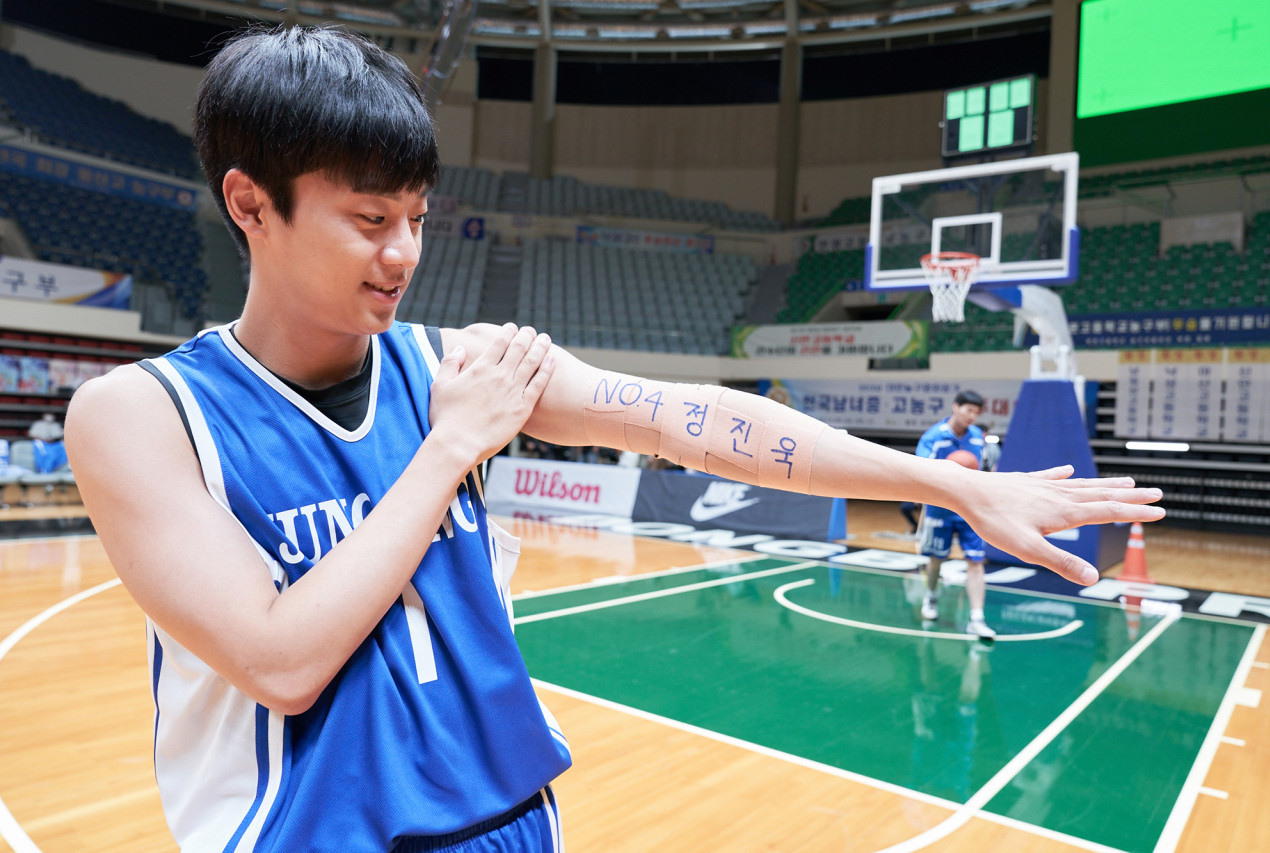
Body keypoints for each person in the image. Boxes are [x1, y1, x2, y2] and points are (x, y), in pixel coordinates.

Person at [64, 26, 1163, 853]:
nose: (402, 252)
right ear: (251, 203)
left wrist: (941, 484)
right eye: (366, 219)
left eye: (415, 215)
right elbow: (281, 659)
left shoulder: (458, 362)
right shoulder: (142, 415)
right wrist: (451, 448)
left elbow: (705, 424)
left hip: (512, 818)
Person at [915, 390, 995, 638]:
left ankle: (977, 617)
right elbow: (920, 472)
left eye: (976, 412)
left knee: (975, 561)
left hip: (970, 511)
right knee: (936, 560)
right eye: (968, 410)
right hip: (940, 510)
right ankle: (930, 597)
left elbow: (982, 471)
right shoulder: (934, 438)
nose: (972, 416)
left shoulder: (977, 438)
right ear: (955, 407)